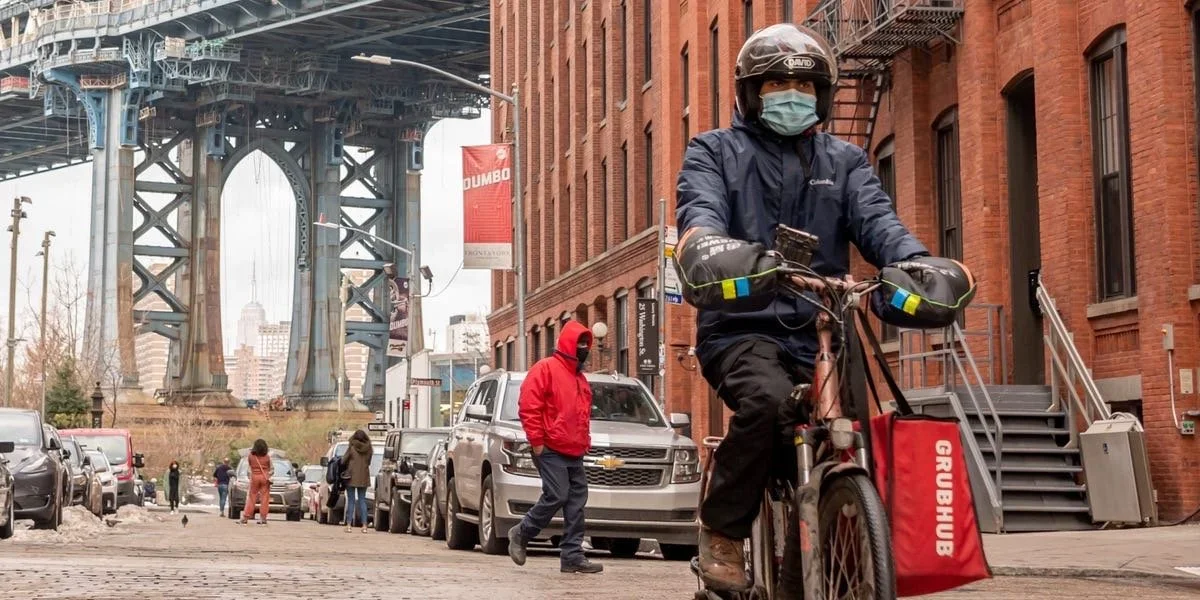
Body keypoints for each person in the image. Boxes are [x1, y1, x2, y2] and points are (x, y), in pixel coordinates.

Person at [673, 23, 976, 592]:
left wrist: (916, 265)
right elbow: (700, 214)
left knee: (850, 437)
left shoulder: (846, 161)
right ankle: (723, 528)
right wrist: (714, 249)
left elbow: (881, 226)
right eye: (776, 83)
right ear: (749, 93)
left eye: (804, 84)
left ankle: (822, 566)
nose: (791, 93)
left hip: (825, 331)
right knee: (765, 404)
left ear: (822, 94)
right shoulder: (713, 151)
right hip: (743, 328)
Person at [506, 320, 603, 574]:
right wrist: (537, 442)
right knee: (558, 495)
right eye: (580, 343)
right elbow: (529, 406)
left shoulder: (580, 379)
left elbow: (582, 415)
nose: (584, 348)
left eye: (587, 344)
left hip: (574, 450)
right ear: (568, 344)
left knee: (576, 502)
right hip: (550, 448)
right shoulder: (545, 369)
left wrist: (585, 442)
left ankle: (572, 555)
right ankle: (521, 532)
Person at [339, 429, 373, 533]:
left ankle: (349, 525)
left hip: (351, 477)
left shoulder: (352, 447)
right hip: (364, 477)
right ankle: (364, 526)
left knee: (351, 500)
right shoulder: (369, 449)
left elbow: (343, 461)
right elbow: (369, 462)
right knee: (362, 500)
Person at [241, 440, 273, 525]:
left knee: (252, 497)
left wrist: (250, 476)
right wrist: (268, 475)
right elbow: (272, 469)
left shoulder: (251, 456)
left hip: (254, 477)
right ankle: (263, 518)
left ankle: (246, 517)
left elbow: (249, 467)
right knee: (265, 498)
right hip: (265, 478)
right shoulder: (267, 457)